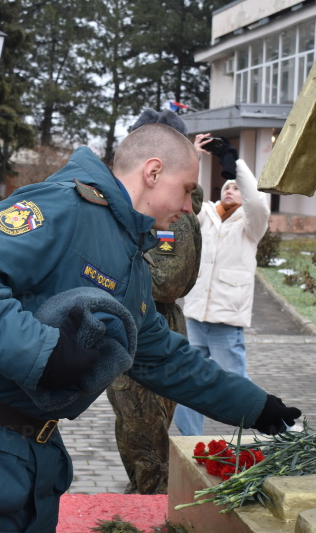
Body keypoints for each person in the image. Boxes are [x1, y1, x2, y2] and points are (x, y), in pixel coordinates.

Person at [0, 124, 300, 533]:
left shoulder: (131, 259)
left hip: (21, 461)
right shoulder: (62, 208)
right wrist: (41, 352)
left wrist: (257, 407)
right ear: (153, 172)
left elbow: (163, 357)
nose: (190, 206)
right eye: (187, 189)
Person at [106, 109, 203, 495]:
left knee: (147, 444)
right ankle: (146, 498)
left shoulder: (172, 216)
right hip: (131, 328)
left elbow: (168, 282)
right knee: (135, 434)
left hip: (153, 330)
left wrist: (113, 264)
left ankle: (152, 506)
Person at [173, 135, 271, 437]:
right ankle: (191, 442)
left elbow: (257, 202)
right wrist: (193, 157)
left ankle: (264, 429)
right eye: (227, 186)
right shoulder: (207, 217)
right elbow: (189, 196)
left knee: (235, 384)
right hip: (195, 315)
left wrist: (235, 165)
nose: (230, 189)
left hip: (226, 320)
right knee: (187, 382)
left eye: (236, 188)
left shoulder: (250, 225)